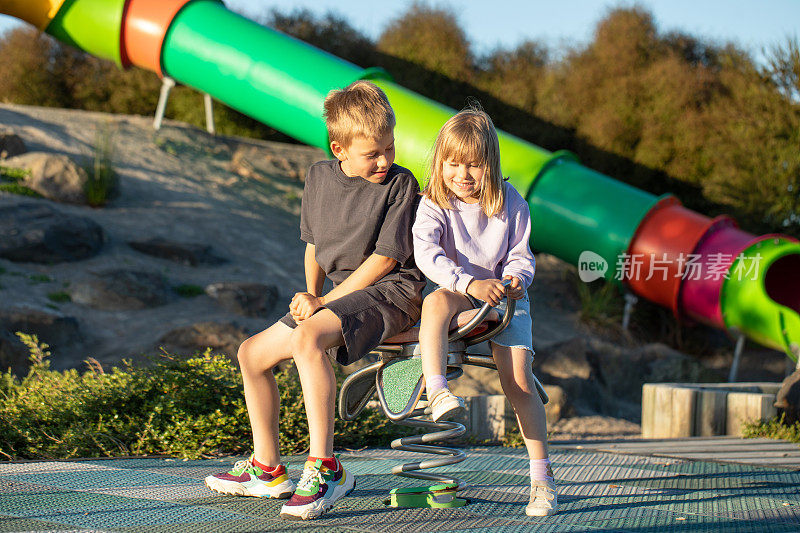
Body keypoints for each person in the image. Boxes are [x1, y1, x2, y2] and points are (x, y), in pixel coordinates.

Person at [205, 80, 425, 521]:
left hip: (392, 294)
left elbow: (384, 261)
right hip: (337, 298)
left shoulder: (401, 184)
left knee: (306, 340)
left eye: (390, 147)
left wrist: (322, 302)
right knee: (251, 354)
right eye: (373, 153)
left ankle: (326, 467)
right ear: (339, 148)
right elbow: (313, 245)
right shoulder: (319, 178)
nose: (385, 159)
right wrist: (308, 295)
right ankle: (267, 469)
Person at [412, 107, 557, 517]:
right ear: (439, 161)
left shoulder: (510, 203)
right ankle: (438, 389)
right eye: (453, 163)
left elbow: (520, 256)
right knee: (434, 302)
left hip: (506, 302)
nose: (462, 174)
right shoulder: (434, 204)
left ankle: (542, 478)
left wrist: (514, 280)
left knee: (519, 384)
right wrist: (467, 283)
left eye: (474, 165)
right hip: (463, 292)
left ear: (489, 165)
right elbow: (428, 253)